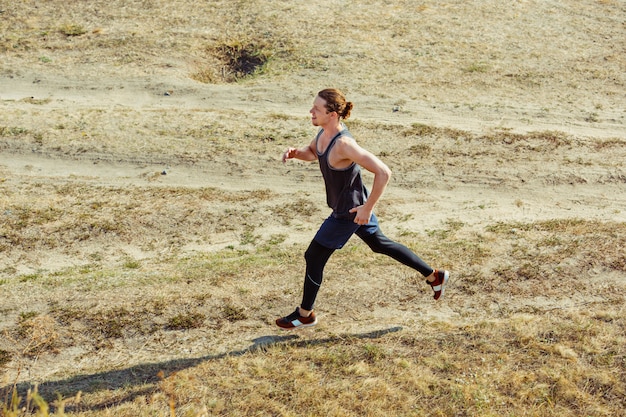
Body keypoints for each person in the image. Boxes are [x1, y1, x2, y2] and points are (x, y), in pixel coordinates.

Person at [276, 88, 449, 330]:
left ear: (333, 113)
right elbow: (313, 153)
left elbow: (383, 172)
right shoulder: (322, 135)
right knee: (379, 243)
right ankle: (434, 275)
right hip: (350, 207)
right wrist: (296, 153)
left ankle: (305, 314)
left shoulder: (344, 144)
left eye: (316, 108)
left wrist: (367, 208)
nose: (311, 111)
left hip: (348, 212)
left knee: (314, 256)